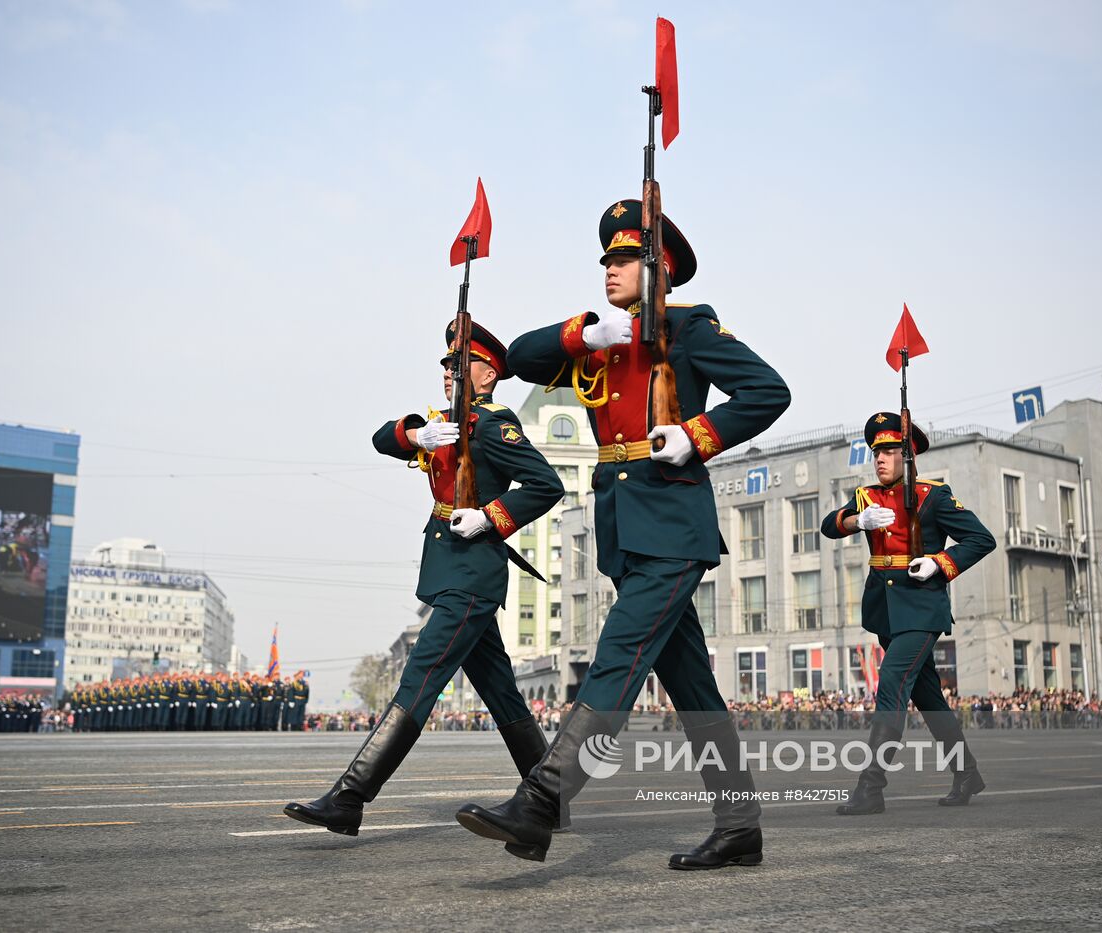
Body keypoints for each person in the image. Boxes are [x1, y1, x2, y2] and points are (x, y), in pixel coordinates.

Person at [455, 201, 790, 869]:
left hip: (672, 522)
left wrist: (697, 436)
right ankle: (741, 825)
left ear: (658, 267)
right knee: (693, 686)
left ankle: (543, 799)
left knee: (617, 657)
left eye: (624, 259)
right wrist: (587, 334)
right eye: (605, 259)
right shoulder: (600, 339)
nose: (609, 269)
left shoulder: (689, 328)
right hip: (626, 531)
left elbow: (767, 390)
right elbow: (518, 356)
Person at [283, 321, 566, 836]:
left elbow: (546, 484)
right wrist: (418, 434)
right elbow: (378, 439)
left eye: (459, 365)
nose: (447, 372)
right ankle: (555, 797)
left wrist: (492, 516)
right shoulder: (448, 425)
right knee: (503, 694)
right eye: (445, 365)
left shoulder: (494, 426)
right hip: (451, 569)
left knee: (420, 677)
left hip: (473, 572)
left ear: (487, 375)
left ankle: (349, 797)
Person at [820, 413, 997, 814]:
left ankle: (871, 787)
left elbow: (981, 539)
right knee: (929, 698)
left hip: (922, 607)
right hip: (886, 611)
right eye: (876, 452)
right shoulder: (866, 497)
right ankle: (967, 772)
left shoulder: (934, 496)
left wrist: (939, 563)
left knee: (893, 681)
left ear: (909, 456)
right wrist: (855, 521)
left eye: (889, 452)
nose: (879, 459)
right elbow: (829, 527)